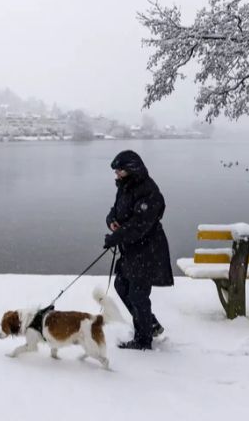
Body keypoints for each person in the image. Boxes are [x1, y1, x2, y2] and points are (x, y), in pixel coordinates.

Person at [103, 150, 173, 350]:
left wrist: (116, 237)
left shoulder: (148, 190)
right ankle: (149, 324)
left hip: (148, 251)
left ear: (132, 170)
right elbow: (115, 211)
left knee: (137, 294)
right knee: (121, 285)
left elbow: (140, 225)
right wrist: (111, 222)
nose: (117, 175)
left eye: (120, 171)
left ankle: (143, 340)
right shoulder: (125, 187)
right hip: (132, 249)